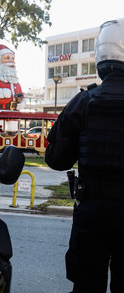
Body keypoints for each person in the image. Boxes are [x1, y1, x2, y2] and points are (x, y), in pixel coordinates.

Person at [45, 19, 124, 293]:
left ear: (101, 57)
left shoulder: (84, 101)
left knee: (87, 286)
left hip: (92, 211)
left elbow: (56, 160)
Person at [0, 44, 24, 110]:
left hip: (13, 114)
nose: (11, 61)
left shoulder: (16, 82)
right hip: (0, 113)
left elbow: (21, 95)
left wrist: (22, 103)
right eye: (7, 58)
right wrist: (1, 92)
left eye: (12, 58)